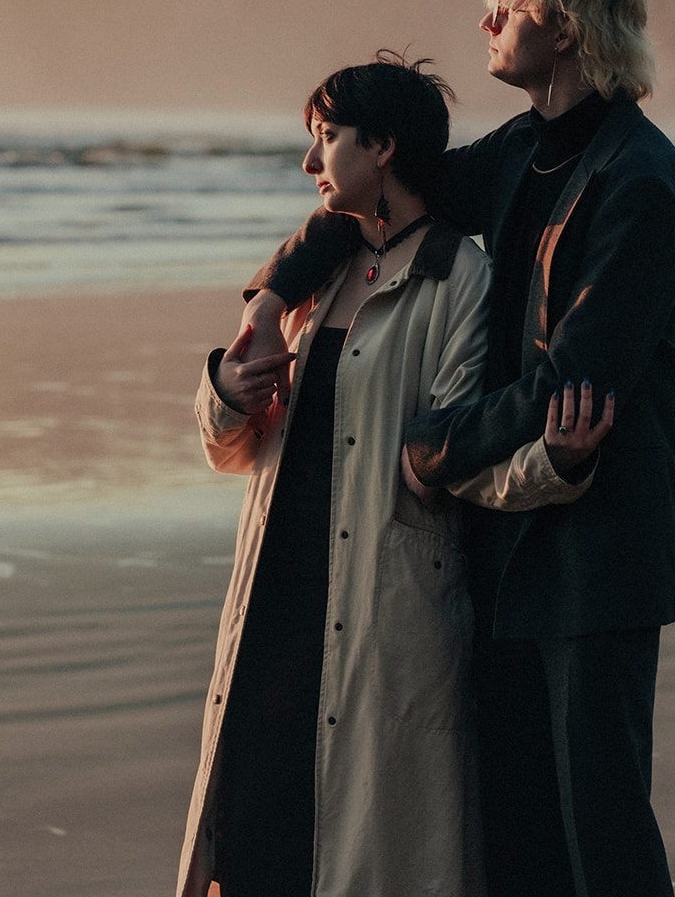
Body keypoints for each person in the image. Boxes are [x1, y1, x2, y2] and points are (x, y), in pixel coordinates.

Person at [241, 0, 675, 897]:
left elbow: (577, 375)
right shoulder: (524, 152)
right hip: (500, 535)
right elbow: (376, 196)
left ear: (565, 26)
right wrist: (272, 291)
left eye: (509, 6)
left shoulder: (641, 183)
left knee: (599, 820)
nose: (486, 21)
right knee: (522, 824)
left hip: (597, 545)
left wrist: (435, 443)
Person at [176, 52, 605, 897]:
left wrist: (551, 466)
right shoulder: (310, 275)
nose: (308, 161)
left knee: (369, 850)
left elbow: (458, 458)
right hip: (272, 601)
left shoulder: (461, 279)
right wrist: (223, 389)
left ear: (382, 149)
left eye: (325, 138)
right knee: (255, 837)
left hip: (385, 604)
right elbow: (229, 448)